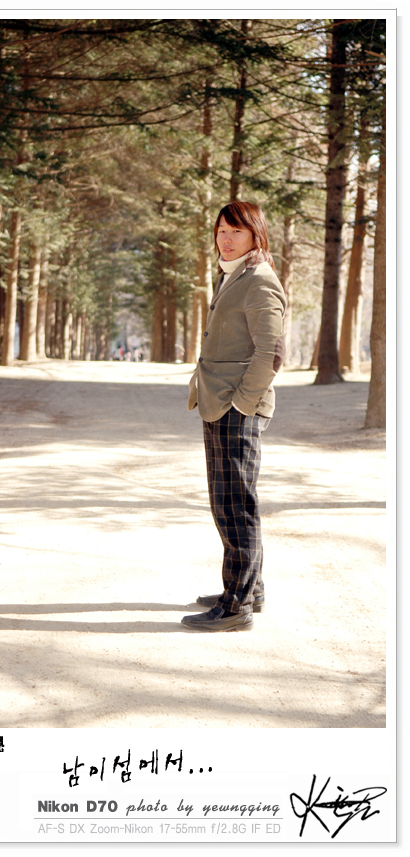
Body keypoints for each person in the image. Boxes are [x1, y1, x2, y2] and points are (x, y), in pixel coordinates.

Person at [182, 201, 286, 632]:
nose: (225, 238)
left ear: (255, 235)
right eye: (221, 230)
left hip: (235, 407)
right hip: (218, 401)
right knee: (228, 501)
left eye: (236, 231)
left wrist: (242, 404)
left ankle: (235, 606)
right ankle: (250, 588)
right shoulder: (234, 274)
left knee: (234, 506)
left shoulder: (259, 280)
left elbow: (272, 352)